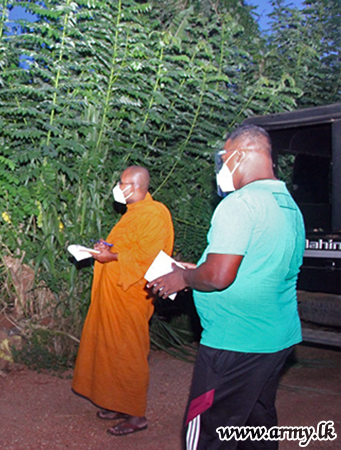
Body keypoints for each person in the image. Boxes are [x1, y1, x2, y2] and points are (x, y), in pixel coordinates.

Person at [147, 124, 304, 449]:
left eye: (225, 156)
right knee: (255, 425)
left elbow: (219, 277)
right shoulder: (287, 203)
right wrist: (197, 269)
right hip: (275, 338)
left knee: (208, 433)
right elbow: (261, 264)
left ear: (242, 155)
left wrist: (183, 278)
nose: (220, 166)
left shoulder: (240, 203)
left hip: (235, 343)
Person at [72, 166, 174, 436]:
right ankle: (118, 404)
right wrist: (107, 248)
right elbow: (130, 247)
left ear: (136, 186)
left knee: (129, 352)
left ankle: (136, 415)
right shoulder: (134, 212)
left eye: (121, 183)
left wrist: (113, 257)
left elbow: (149, 257)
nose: (117, 187)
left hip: (131, 293)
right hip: (114, 292)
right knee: (110, 348)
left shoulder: (154, 214)